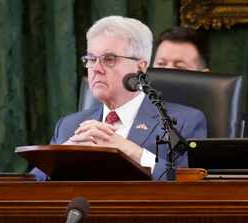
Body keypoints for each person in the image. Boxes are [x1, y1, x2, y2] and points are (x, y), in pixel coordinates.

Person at [35, 16, 207, 180]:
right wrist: (60, 156)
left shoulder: (183, 121)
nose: (96, 68)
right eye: (91, 59)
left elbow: (189, 183)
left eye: (109, 59)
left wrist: (131, 151)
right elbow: (31, 184)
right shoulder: (68, 126)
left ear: (140, 68)